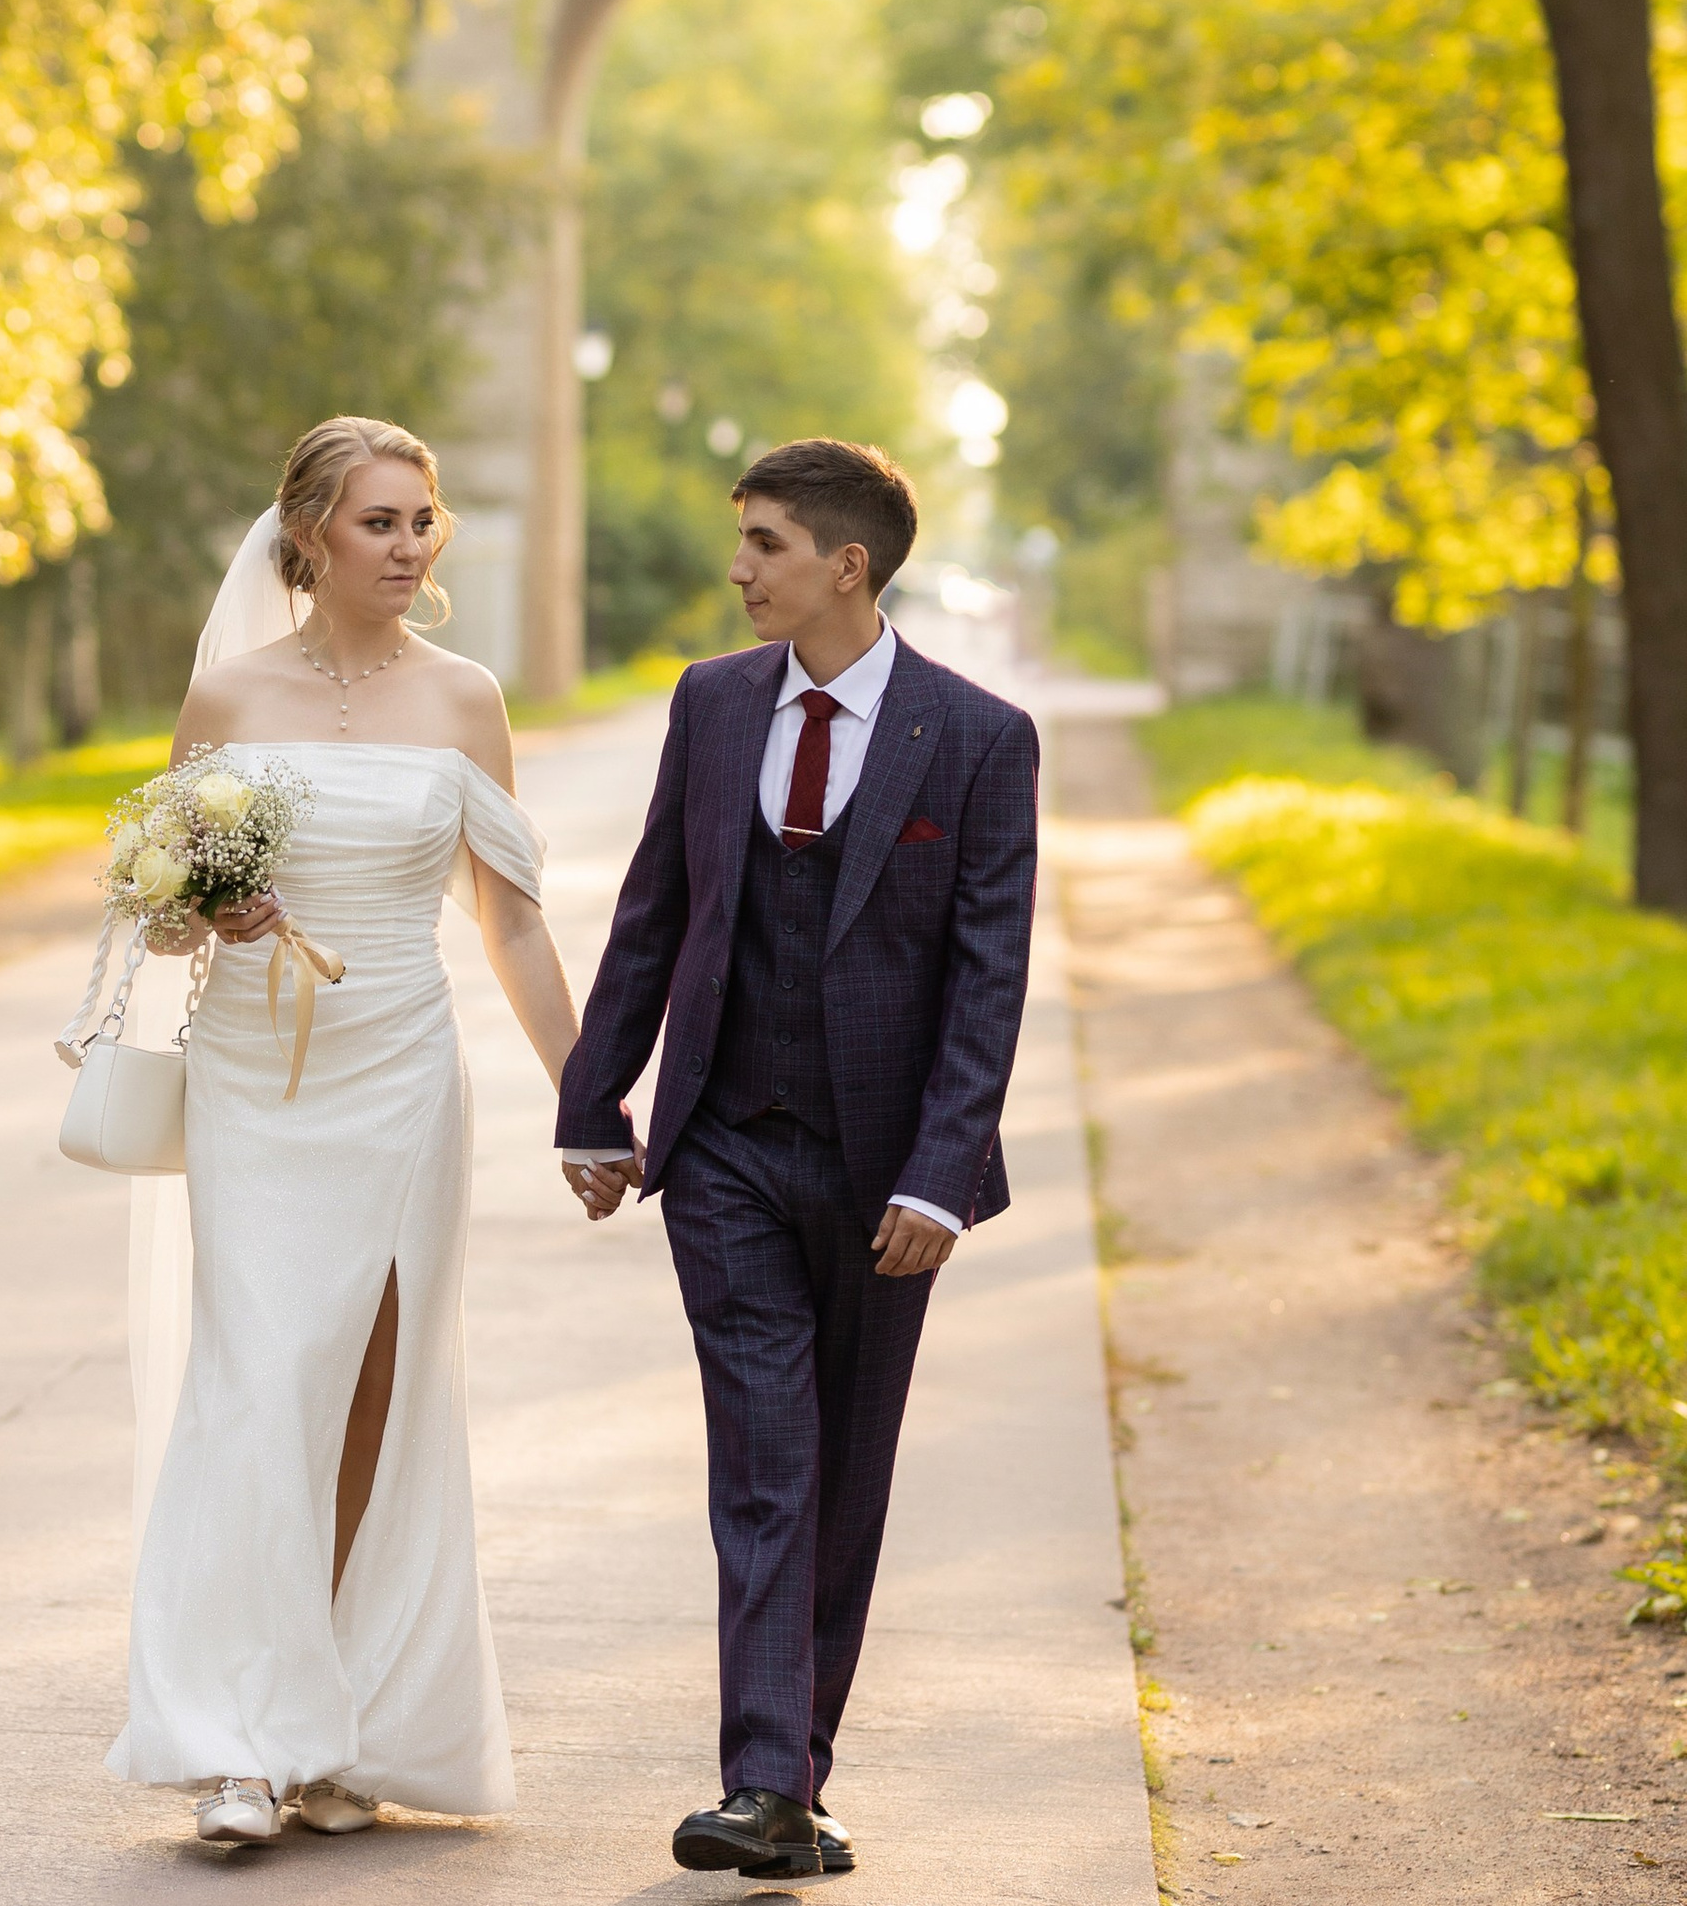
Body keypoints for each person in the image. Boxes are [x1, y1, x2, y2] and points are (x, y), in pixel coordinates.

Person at [554, 438, 1038, 1882]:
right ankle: (764, 1781)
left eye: (763, 544)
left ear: (848, 565)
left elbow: (987, 973)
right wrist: (596, 1103)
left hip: (893, 1173)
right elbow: (655, 912)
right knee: (770, 1455)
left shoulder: (978, 736)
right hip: (724, 1155)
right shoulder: (709, 707)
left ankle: (798, 1777)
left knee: (849, 1465)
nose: (738, 570)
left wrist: (941, 1173)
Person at [105, 415, 584, 1847]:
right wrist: (210, 905)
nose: (410, 545)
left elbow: (509, 917)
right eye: (381, 521)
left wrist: (592, 1090)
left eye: (422, 519)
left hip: (402, 1072)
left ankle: (335, 1729)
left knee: (379, 1386)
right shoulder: (229, 693)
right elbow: (158, 914)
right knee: (258, 1378)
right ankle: (234, 1741)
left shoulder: (466, 698)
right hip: (260, 1073)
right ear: (306, 533)